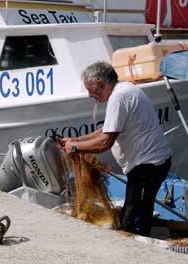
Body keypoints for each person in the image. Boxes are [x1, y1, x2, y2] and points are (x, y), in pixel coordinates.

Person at [59, 61, 172, 237]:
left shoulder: (118, 97)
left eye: (90, 89)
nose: (89, 94)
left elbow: (105, 142)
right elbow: (106, 129)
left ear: (102, 84)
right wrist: (75, 139)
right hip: (148, 165)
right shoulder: (124, 88)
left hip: (148, 166)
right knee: (135, 213)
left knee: (133, 223)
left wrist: (74, 147)